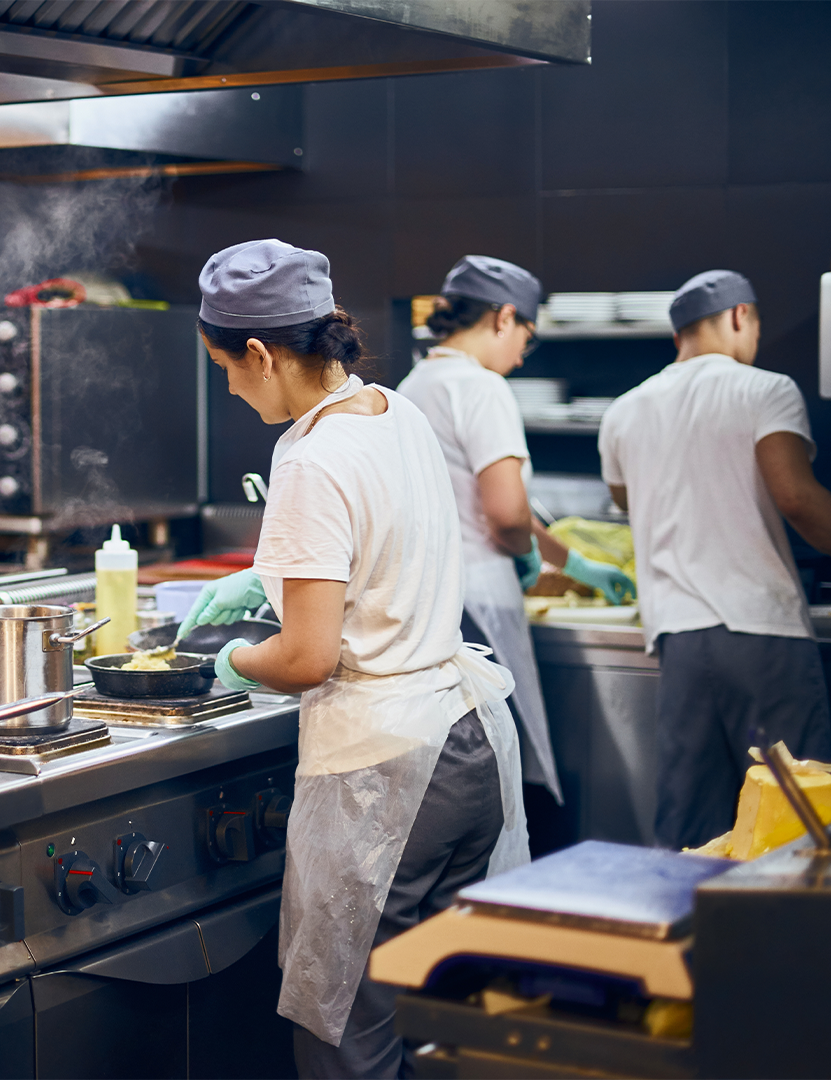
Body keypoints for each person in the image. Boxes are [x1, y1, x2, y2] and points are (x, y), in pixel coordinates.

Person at [179, 239, 529, 1080]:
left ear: (260, 353)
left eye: (226, 369)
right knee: (438, 1027)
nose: (230, 389)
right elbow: (380, 544)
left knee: (348, 1036)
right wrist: (264, 576)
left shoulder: (309, 457)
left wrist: (233, 662)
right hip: (468, 741)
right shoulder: (392, 409)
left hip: (388, 775)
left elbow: (307, 657)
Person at [599, 269, 831, 850]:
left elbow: (626, 499)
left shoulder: (624, 410)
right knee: (796, 821)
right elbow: (796, 497)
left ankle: (685, 914)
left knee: (692, 831)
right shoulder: (765, 389)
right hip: (762, 632)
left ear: (678, 333)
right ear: (739, 316)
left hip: (679, 638)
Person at [397, 256, 635, 808]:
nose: (524, 354)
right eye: (527, 335)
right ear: (504, 317)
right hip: (480, 601)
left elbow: (484, 501)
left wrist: (569, 561)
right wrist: (523, 554)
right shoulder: (482, 388)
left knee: (451, 767)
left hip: (428, 599)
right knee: (500, 766)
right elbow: (505, 516)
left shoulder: (413, 384)